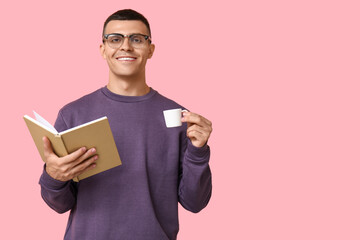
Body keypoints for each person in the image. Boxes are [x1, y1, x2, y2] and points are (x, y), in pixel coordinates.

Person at [39, 9, 212, 240]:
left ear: (151, 50)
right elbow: (59, 204)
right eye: (115, 39)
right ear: (103, 49)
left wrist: (198, 153)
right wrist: (53, 176)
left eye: (137, 39)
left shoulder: (180, 118)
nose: (126, 46)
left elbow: (194, 203)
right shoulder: (72, 114)